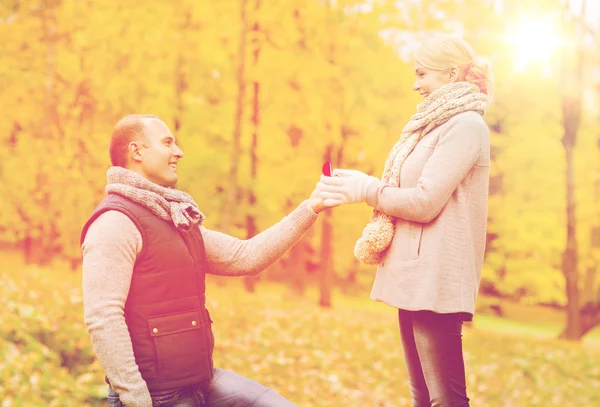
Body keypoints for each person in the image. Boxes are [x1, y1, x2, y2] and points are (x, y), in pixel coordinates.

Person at [80, 114, 326, 407]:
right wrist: (135, 397)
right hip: (154, 396)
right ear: (137, 152)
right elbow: (103, 317)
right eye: (167, 143)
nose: (179, 152)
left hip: (199, 382)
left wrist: (312, 207)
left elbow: (246, 257)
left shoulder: (176, 217)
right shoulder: (115, 222)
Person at [317, 35, 492, 407]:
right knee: (423, 398)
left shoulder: (465, 126)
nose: (415, 84)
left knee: (446, 400)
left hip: (437, 280)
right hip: (414, 275)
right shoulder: (429, 125)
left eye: (421, 74)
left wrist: (368, 190)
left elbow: (426, 201)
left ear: (451, 74)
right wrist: (359, 185)